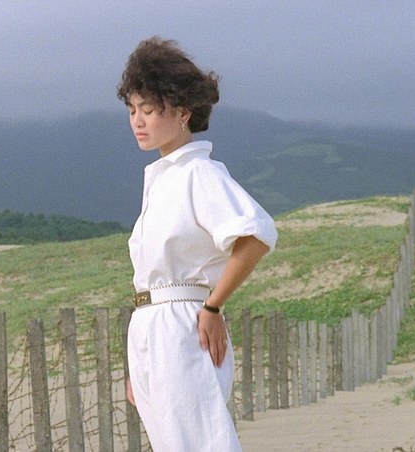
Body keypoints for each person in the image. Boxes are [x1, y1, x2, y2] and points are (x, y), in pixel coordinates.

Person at [118, 37, 278, 452]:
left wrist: (213, 306)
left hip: (182, 325)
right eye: (132, 110)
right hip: (150, 325)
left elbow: (256, 235)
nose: (137, 120)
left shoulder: (199, 174)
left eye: (149, 109)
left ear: (182, 112)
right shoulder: (161, 179)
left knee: (201, 443)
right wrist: (141, 356)